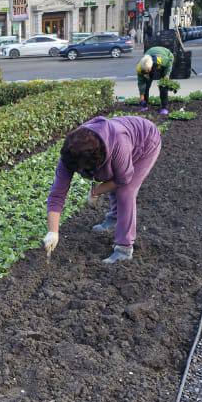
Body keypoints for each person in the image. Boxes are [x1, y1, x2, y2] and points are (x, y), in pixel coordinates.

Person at [43, 114, 162, 265]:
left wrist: (96, 191)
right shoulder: (71, 152)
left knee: (125, 190)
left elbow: (122, 179)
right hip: (114, 146)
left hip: (145, 141)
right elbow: (57, 194)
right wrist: (53, 231)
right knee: (110, 176)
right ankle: (113, 219)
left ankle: (124, 249)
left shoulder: (119, 143)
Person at [136, 46, 175, 115]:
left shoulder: (160, 60)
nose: (146, 72)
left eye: (147, 71)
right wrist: (141, 95)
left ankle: (164, 107)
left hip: (167, 57)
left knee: (163, 85)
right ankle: (144, 105)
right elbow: (141, 83)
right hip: (151, 60)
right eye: (145, 71)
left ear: (151, 67)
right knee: (146, 85)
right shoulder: (140, 67)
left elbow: (169, 63)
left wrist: (167, 75)